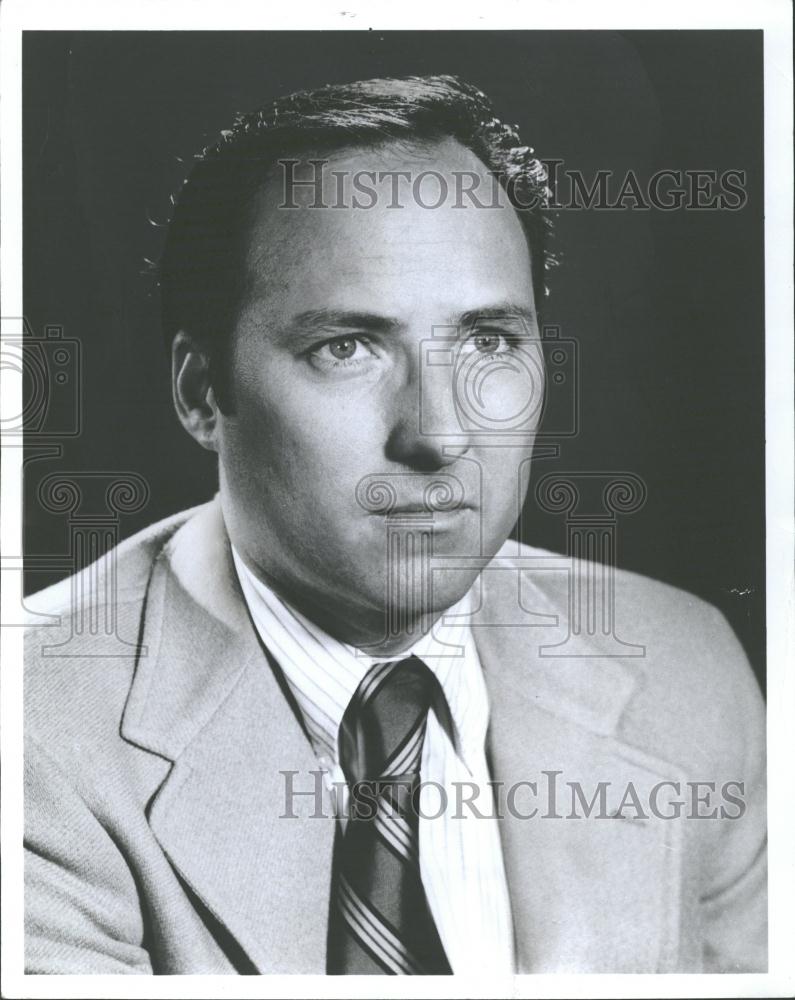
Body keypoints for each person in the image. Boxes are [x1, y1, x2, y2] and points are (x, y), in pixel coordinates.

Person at [24, 74, 766, 975]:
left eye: (489, 341)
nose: (440, 434)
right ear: (200, 392)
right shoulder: (30, 738)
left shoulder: (687, 668)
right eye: (345, 347)